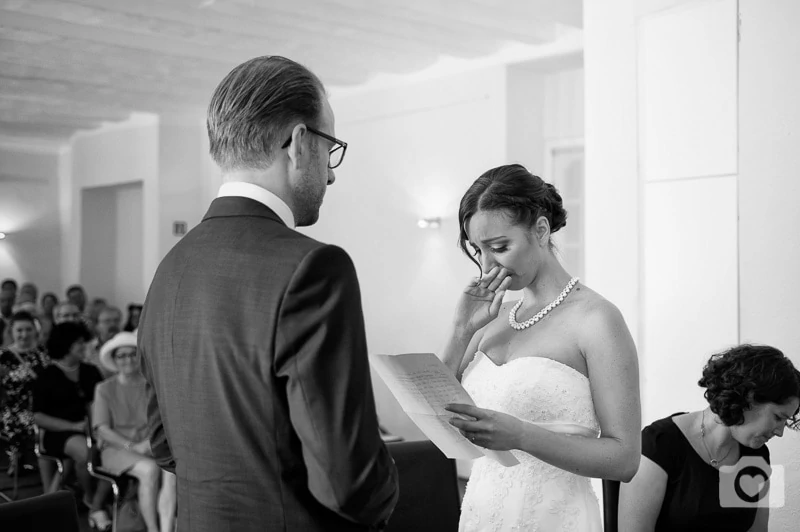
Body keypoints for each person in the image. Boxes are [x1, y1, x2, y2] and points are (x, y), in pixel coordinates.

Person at [138, 55, 398, 532]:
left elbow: (164, 446)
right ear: (299, 143)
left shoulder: (170, 268)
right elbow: (349, 487)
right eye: (330, 148)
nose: (332, 173)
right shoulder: (315, 268)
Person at [442, 164, 641, 531]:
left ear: (541, 229)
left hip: (553, 516)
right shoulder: (492, 318)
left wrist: (521, 436)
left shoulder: (596, 320)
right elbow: (439, 415)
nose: (487, 265)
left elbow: (625, 459)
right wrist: (459, 331)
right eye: (478, 250)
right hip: (482, 513)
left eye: (500, 247)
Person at [619, 344, 800, 532]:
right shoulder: (660, 445)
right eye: (778, 417)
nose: (779, 432)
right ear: (750, 397)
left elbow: (756, 530)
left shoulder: (755, 456)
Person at [94, 332, 176, 532]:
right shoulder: (104, 388)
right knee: (150, 470)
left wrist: (148, 444)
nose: (127, 360)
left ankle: (168, 526)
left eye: (132, 354)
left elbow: (162, 420)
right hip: (117, 449)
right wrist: (132, 446)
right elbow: (102, 429)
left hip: (150, 445)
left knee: (172, 469)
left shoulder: (149, 384)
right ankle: (152, 528)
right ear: (114, 360)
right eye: (121, 356)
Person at [32, 322, 111, 530]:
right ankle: (92, 499)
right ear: (66, 345)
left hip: (90, 429)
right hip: (58, 433)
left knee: (100, 450)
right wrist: (74, 426)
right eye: (78, 343)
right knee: (87, 452)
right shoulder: (46, 375)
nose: (83, 347)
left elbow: (103, 401)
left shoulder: (91, 371)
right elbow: (38, 417)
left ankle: (94, 500)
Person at [0, 311, 49, 475]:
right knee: (18, 420)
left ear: (35, 330)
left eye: (28, 329)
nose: (24, 334)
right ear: (12, 332)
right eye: (19, 330)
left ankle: (45, 462)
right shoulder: (4, 356)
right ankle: (18, 458)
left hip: (41, 404)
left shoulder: (43, 353)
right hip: (14, 407)